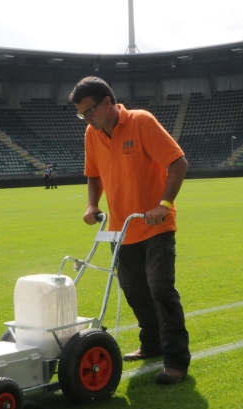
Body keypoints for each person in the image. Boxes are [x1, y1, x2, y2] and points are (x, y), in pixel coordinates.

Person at [70, 76, 191, 384]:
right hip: (120, 229)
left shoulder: (141, 122)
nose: (87, 118)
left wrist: (164, 204)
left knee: (160, 289)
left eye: (90, 111)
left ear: (108, 102)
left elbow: (178, 162)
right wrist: (91, 205)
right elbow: (93, 174)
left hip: (156, 225)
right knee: (134, 290)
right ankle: (151, 344)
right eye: (82, 114)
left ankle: (176, 360)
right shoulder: (92, 133)